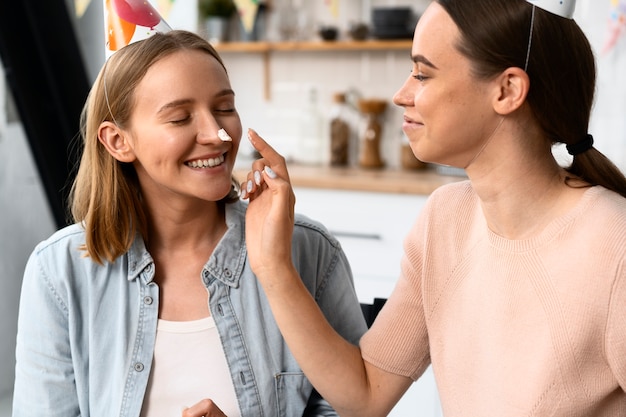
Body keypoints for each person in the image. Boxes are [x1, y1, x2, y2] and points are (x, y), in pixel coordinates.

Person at [241, 0, 626, 415]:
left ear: (508, 90)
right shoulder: (445, 219)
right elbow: (364, 395)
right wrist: (273, 265)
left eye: (422, 74)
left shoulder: (613, 244)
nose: (400, 94)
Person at [12, 29, 367, 417]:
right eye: (180, 118)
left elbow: (357, 406)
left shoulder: (309, 251)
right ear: (117, 141)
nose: (216, 134)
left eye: (225, 108)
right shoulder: (58, 271)